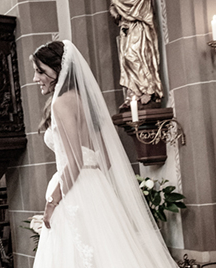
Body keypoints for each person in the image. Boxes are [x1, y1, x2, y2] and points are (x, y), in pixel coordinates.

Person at [30, 40, 178, 267]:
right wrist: (97, 193)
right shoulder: (85, 101)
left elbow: (75, 161)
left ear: (57, 69)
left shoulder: (60, 103)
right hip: (95, 186)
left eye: (40, 71)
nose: (35, 78)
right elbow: (106, 160)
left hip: (73, 190)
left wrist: (52, 203)